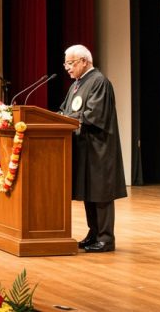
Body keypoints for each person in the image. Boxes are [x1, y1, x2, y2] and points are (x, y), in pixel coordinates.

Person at [58, 44, 127, 253]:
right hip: (84, 147)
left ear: (84, 61)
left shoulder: (99, 82)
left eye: (70, 63)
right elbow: (65, 110)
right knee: (89, 193)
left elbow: (94, 115)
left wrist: (67, 118)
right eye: (66, 64)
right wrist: (59, 117)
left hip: (99, 148)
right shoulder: (77, 84)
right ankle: (93, 233)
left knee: (101, 194)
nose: (67, 68)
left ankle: (106, 238)